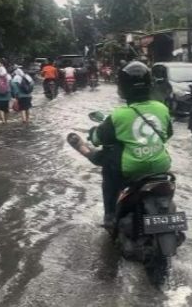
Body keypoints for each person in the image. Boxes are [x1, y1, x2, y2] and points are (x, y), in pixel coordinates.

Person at [67, 61, 173, 228]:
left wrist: (94, 133)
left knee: (108, 171)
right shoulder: (162, 108)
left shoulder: (118, 115)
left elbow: (97, 139)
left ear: (123, 87)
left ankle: (109, 215)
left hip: (131, 169)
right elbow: (168, 135)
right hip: (161, 166)